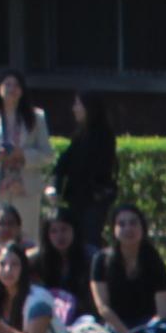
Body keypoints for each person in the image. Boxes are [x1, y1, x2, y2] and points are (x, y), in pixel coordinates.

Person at [0, 73, 54, 241]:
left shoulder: (36, 117)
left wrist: (23, 155)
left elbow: (47, 154)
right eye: (7, 85)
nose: (11, 89)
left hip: (25, 188)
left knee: (27, 235)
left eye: (16, 85)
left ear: (22, 91)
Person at [87, 204, 166, 333]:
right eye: (121, 224)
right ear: (114, 230)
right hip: (115, 325)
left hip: (148, 325)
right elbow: (103, 308)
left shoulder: (154, 261)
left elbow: (163, 311)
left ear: (142, 227)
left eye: (133, 223)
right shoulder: (101, 260)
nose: (128, 228)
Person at [53, 93, 120, 256]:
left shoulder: (103, 135)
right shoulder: (80, 134)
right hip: (76, 198)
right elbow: (64, 163)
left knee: (90, 238)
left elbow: (94, 167)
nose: (74, 109)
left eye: (78, 105)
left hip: (92, 199)